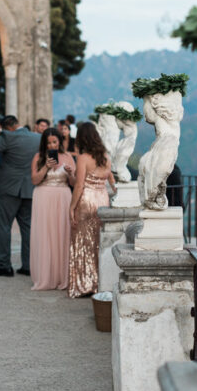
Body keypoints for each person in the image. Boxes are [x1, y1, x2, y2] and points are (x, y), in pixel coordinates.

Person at [0, 115, 41, 277]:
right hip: (29, 188)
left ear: (5, 127)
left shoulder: (6, 137)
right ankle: (27, 266)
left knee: (4, 227)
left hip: (9, 189)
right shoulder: (37, 137)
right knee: (27, 228)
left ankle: (5, 266)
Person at [68, 122, 115, 298]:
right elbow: (112, 181)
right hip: (102, 200)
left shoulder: (83, 158)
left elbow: (79, 185)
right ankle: (98, 283)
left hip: (86, 200)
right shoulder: (106, 157)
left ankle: (83, 284)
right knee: (98, 242)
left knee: (81, 242)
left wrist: (72, 207)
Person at [30, 128, 75, 290]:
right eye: (48, 143)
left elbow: (75, 184)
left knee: (62, 234)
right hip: (43, 197)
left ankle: (62, 276)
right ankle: (46, 276)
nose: (52, 145)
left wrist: (70, 174)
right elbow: (34, 180)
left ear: (59, 141)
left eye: (54, 142)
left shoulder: (68, 156)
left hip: (63, 196)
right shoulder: (38, 157)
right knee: (45, 235)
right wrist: (46, 167)